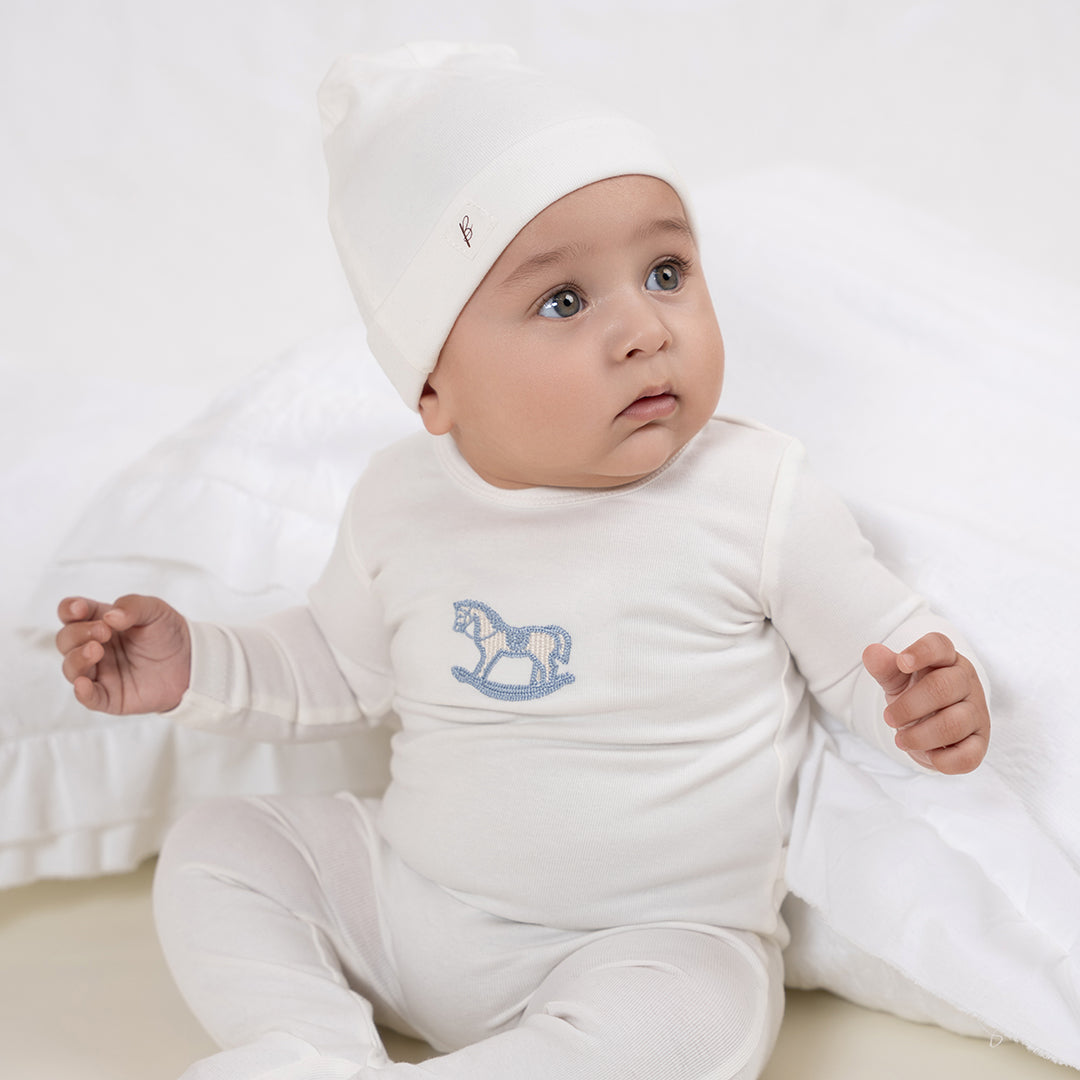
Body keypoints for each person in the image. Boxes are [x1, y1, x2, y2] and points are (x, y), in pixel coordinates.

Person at [55, 42, 990, 1080]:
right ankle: (308, 1048)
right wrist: (198, 664)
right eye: (564, 302)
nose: (645, 329)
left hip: (648, 943)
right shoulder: (401, 503)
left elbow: (869, 653)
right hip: (410, 903)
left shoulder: (755, 495)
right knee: (220, 849)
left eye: (666, 273)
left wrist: (925, 697)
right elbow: (334, 662)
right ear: (434, 388)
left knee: (696, 1019)